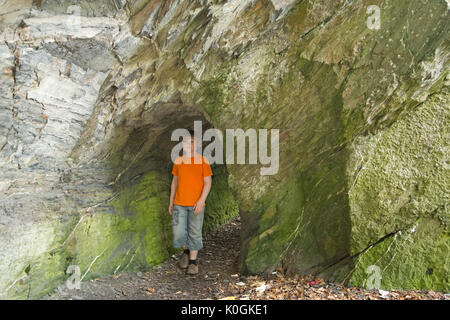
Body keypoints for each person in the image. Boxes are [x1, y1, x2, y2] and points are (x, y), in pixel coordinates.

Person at [169, 129, 212, 275]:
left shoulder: (203, 161)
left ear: (198, 143)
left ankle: (193, 262)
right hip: (179, 203)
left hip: (195, 204)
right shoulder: (179, 161)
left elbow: (207, 183)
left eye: (192, 141)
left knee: (194, 232)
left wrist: (201, 201)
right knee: (179, 232)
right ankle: (186, 252)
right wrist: (171, 202)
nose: (189, 144)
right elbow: (174, 182)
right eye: (186, 142)